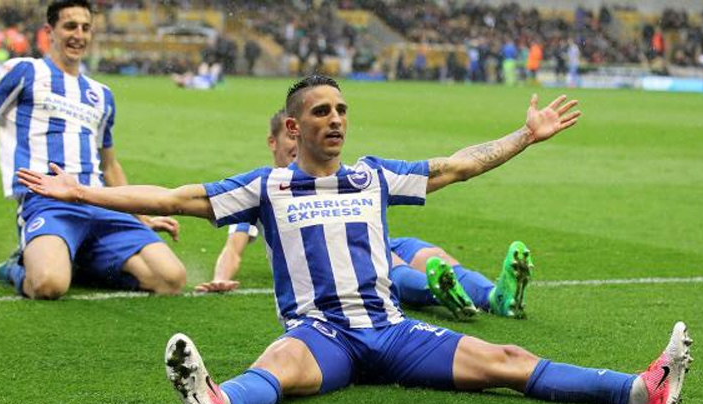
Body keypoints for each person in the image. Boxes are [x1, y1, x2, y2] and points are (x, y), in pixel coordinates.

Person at [17, 75, 693, 404]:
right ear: (292, 126)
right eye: (320, 112)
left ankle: (642, 390)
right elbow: (173, 194)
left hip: (392, 331)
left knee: (509, 361)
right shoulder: (268, 184)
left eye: (341, 110)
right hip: (322, 335)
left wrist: (524, 135)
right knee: (276, 362)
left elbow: (457, 165)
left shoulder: (373, 175)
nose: (335, 120)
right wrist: (83, 191)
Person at [195, 110, 532, 320]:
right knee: (394, 266)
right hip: (346, 256)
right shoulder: (265, 189)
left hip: (380, 240)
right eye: (291, 138)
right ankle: (437, 291)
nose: (299, 144)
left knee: (432, 254)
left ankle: (495, 296)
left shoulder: (340, 173)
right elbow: (234, 245)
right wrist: (222, 276)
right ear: (274, 141)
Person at [0, 0, 186, 299]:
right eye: (70, 26)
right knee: (48, 285)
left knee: (171, 279)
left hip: (101, 202)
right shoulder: (23, 71)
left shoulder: (102, 95)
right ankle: (14, 267)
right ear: (50, 31)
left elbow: (110, 166)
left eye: (86, 28)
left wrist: (141, 215)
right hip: (47, 201)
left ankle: (78, 260)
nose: (79, 34)